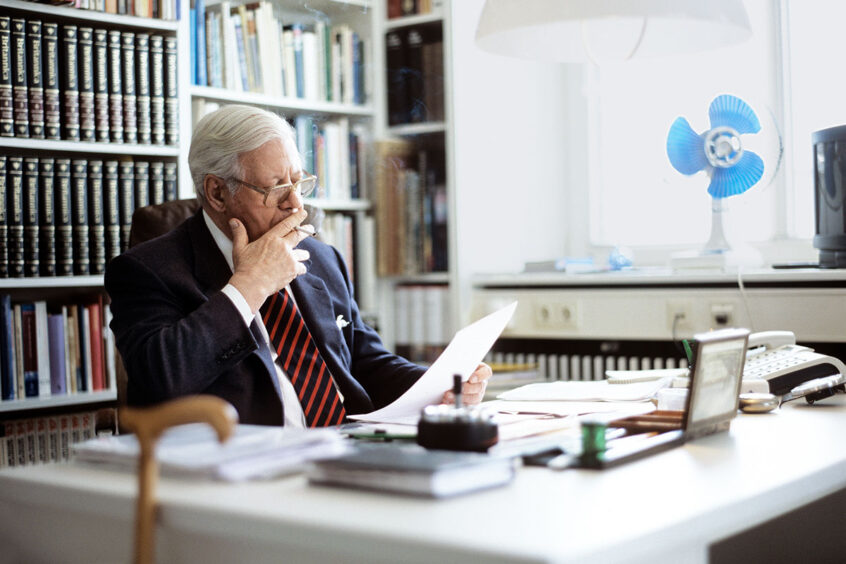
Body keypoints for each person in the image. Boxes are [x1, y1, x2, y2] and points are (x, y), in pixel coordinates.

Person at [105, 104, 491, 426]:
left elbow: (364, 360)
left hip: (349, 446)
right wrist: (248, 286)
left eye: (299, 183)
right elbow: (160, 379)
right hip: (247, 468)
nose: (297, 206)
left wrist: (440, 386)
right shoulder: (146, 270)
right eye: (276, 189)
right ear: (217, 192)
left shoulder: (321, 258)